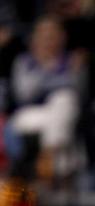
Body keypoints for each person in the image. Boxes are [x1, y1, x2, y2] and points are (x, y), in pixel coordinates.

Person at [4, 15, 86, 185]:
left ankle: (48, 161)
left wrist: (51, 77)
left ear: (62, 38)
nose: (48, 40)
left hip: (61, 113)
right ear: (34, 39)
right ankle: (57, 165)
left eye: (52, 35)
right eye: (44, 36)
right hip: (29, 115)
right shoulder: (24, 62)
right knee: (63, 104)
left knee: (64, 99)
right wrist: (50, 70)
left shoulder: (73, 60)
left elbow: (79, 91)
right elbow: (24, 94)